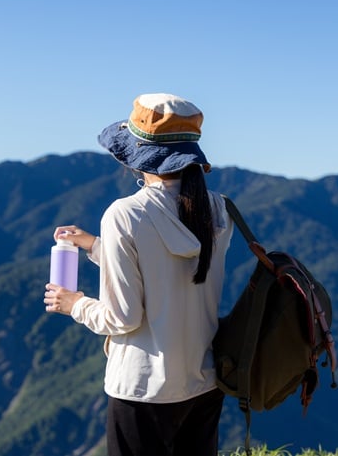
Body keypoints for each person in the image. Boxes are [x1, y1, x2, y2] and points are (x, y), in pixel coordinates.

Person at [44, 93, 234, 456]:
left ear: (137, 155)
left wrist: (75, 304)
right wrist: (97, 246)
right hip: (204, 379)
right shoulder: (217, 209)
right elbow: (176, 271)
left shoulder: (125, 214)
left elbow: (122, 317)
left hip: (144, 386)